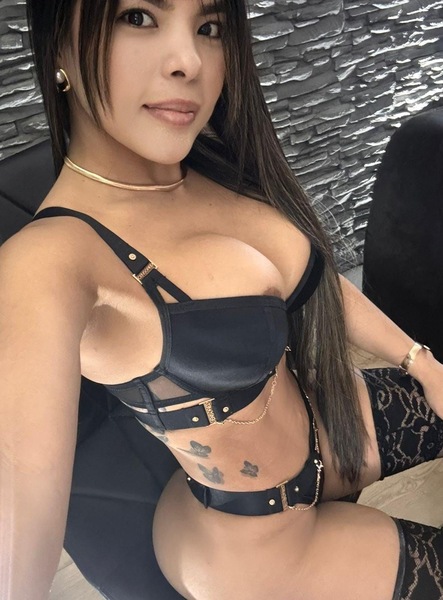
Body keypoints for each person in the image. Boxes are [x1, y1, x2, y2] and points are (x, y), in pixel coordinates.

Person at [1, 1, 443, 599]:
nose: (190, 61)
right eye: (138, 17)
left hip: (324, 427)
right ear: (59, 44)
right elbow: (18, 533)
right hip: (257, 545)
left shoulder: (209, 164)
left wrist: (422, 363)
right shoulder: (47, 260)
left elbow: (316, 280)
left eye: (209, 28)